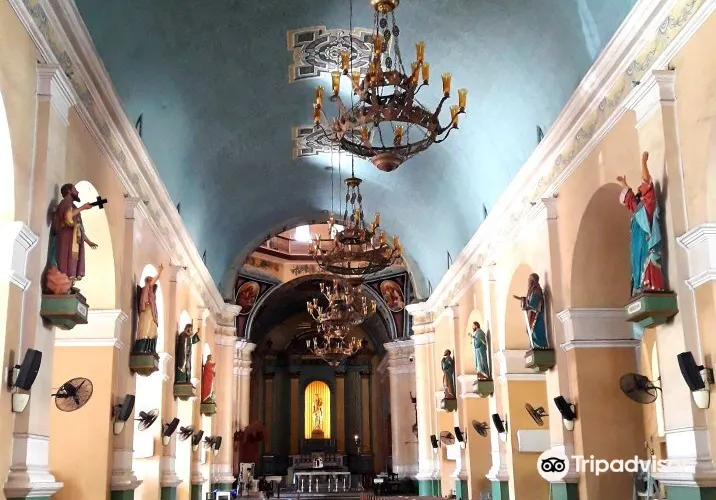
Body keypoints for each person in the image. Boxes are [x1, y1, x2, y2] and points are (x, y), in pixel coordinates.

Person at [617, 151, 665, 296]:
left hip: (646, 244)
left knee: (646, 264)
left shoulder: (648, 207)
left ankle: (649, 288)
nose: (637, 196)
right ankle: (638, 288)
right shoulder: (638, 211)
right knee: (637, 267)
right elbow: (631, 200)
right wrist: (624, 185)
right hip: (637, 247)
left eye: (639, 194)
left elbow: (647, 185)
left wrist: (643, 164)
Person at [46, 183, 98, 294]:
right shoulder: (66, 202)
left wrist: (89, 242)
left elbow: (80, 228)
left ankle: (68, 284)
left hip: (73, 239)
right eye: (75, 189)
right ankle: (62, 285)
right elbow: (68, 217)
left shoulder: (73, 205)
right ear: (69, 191)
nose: (77, 192)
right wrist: (83, 207)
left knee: (72, 261)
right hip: (66, 237)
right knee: (65, 260)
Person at [513, 273, 549, 349]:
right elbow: (528, 300)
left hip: (536, 315)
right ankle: (534, 346)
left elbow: (534, 302)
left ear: (533, 280)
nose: (528, 282)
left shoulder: (536, 289)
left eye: (529, 280)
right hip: (531, 314)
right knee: (530, 330)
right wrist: (522, 299)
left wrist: (528, 307)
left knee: (536, 329)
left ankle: (540, 346)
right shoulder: (531, 291)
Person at [134, 264, 163, 354]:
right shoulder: (147, 287)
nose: (152, 282)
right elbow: (155, 279)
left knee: (152, 328)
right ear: (148, 281)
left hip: (151, 311)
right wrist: (160, 271)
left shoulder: (150, 291)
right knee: (146, 329)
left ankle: (150, 348)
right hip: (147, 310)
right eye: (151, 280)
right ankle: (142, 348)